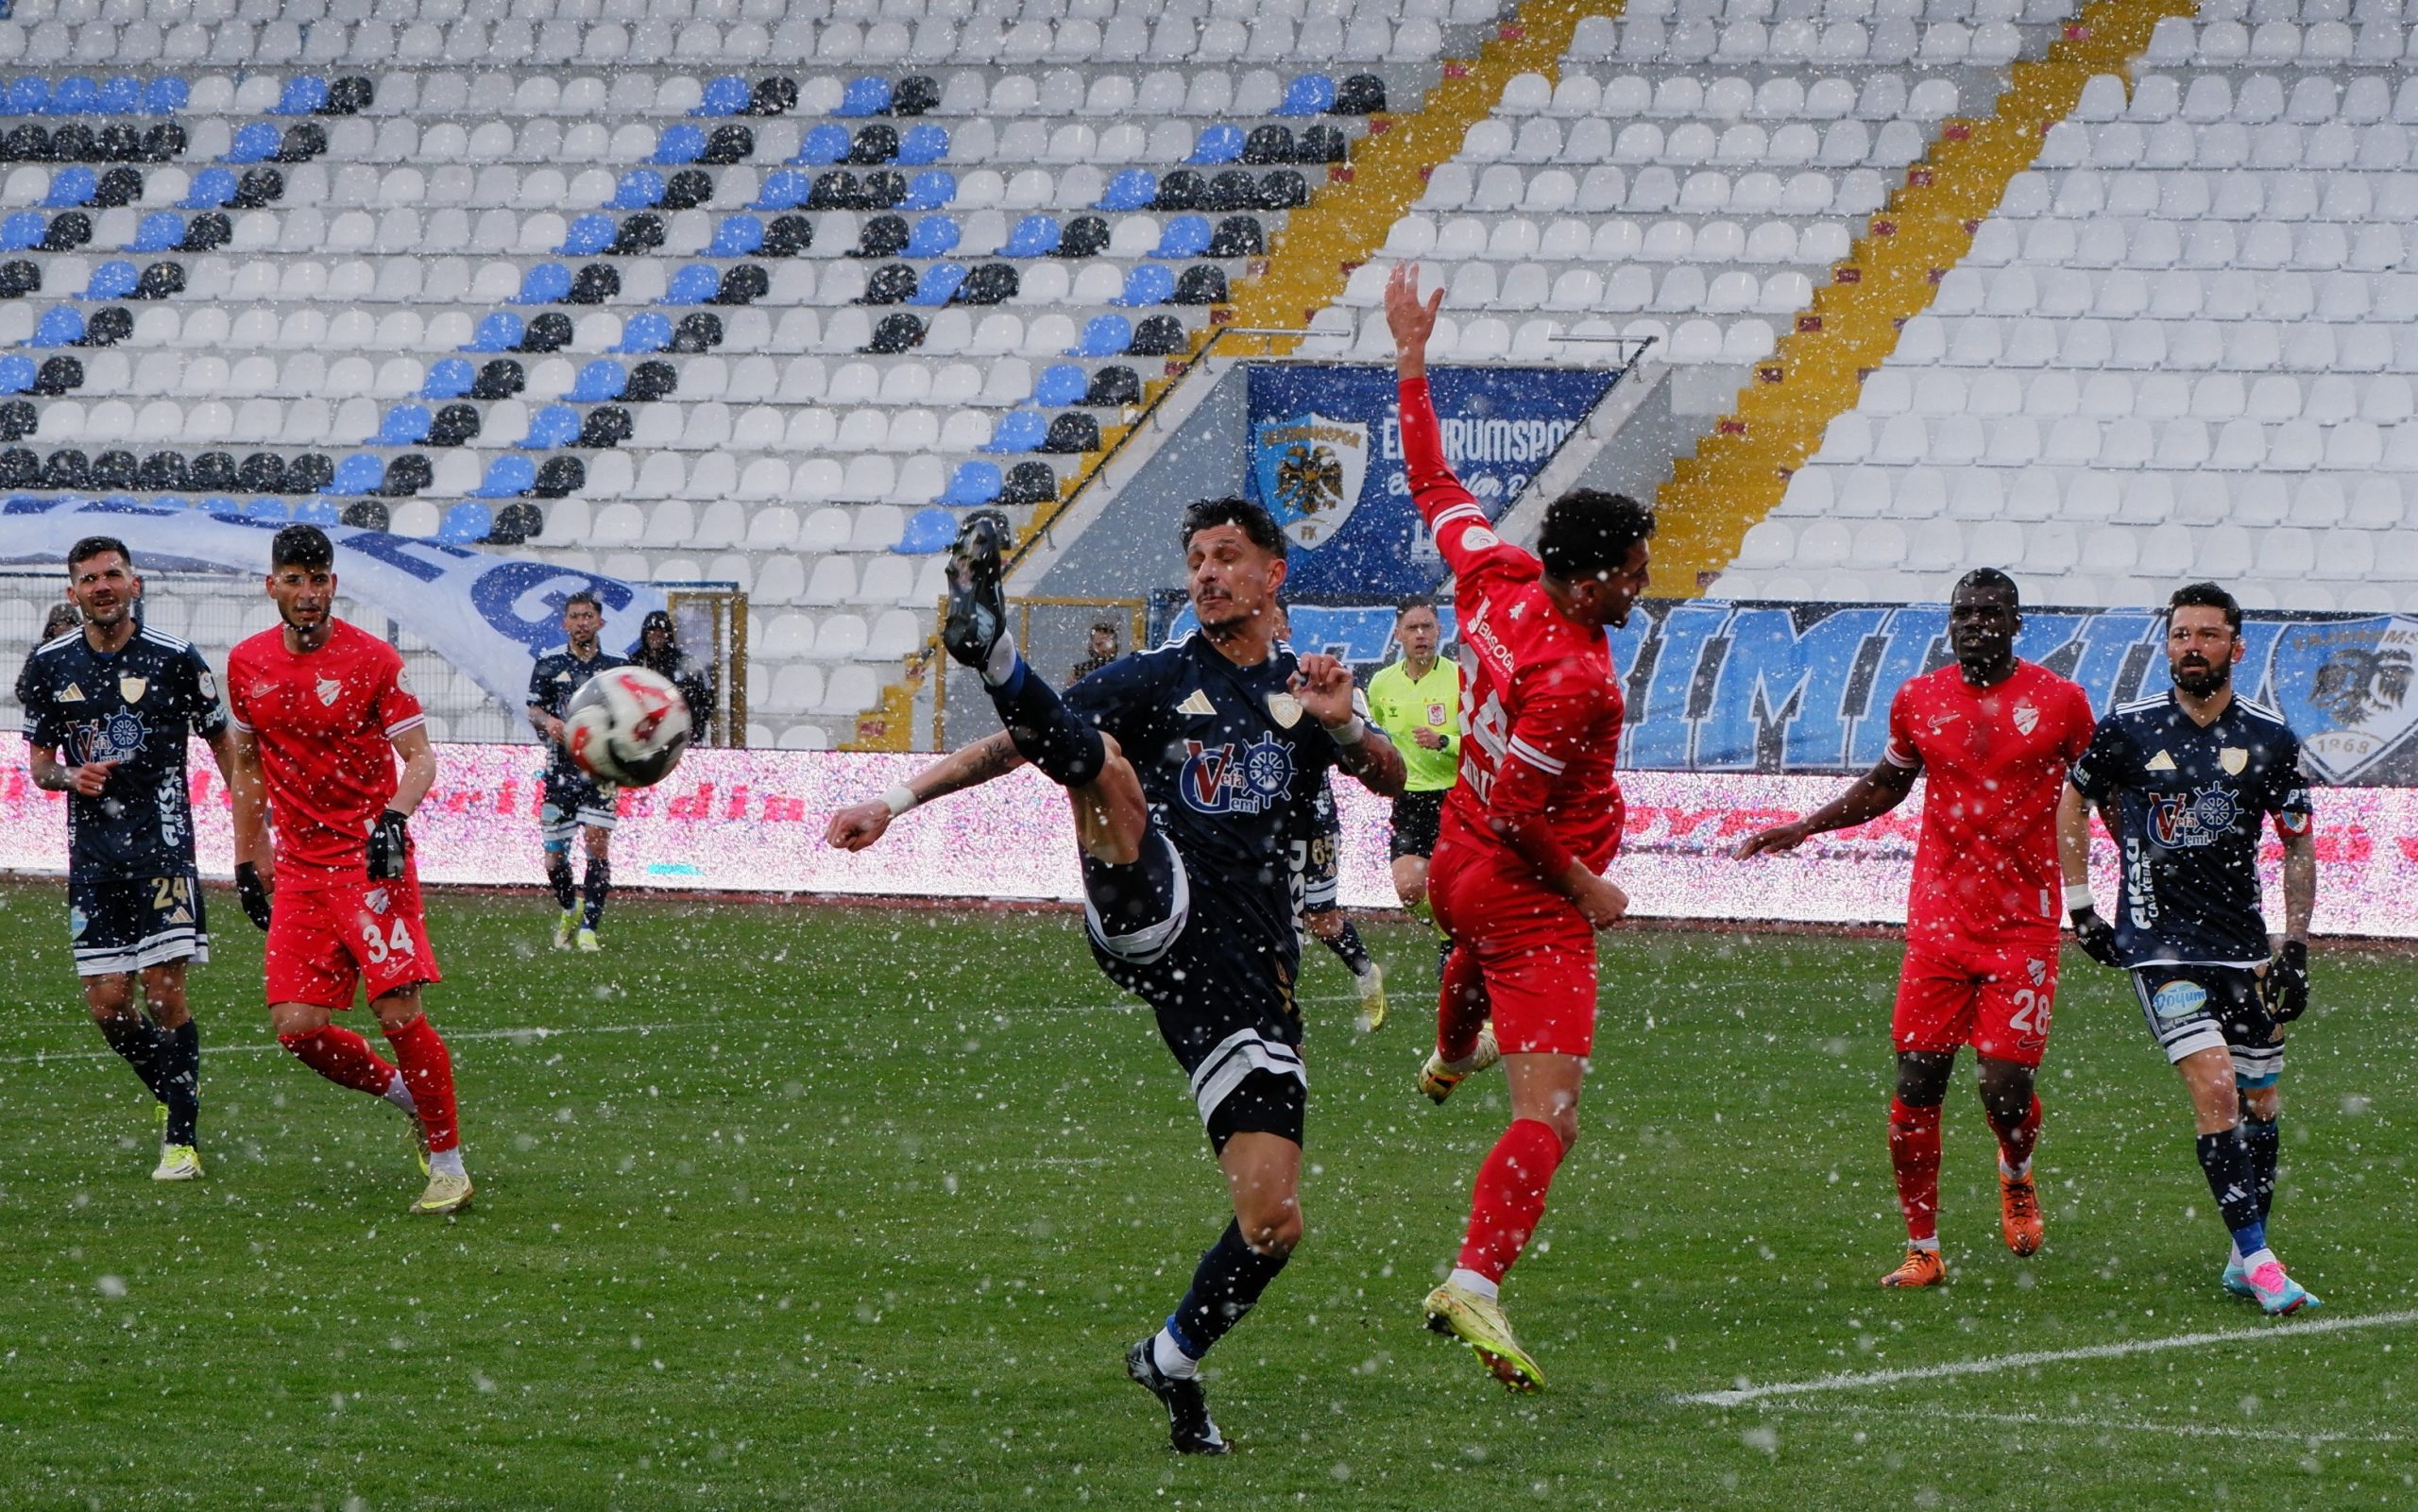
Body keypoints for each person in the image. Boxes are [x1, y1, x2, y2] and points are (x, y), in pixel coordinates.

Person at [826, 500, 1405, 1453]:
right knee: (1105, 770)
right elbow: (1020, 745)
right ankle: (994, 653)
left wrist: (1343, 728)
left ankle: (1170, 1360)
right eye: (1196, 557)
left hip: (1245, 984)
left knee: (1272, 1222)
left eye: (1227, 556)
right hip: (1153, 908)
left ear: (1273, 575)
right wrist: (895, 800)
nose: (1207, 571)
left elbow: (1388, 774)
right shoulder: (1158, 674)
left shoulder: (1306, 691)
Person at [1386, 264, 1654, 1392]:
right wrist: (1587, 888)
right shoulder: (1576, 678)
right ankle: (1473, 1281)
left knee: (1469, 950)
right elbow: (1518, 813)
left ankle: (1450, 1054)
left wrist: (1411, 360)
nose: (1642, 583)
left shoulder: (1495, 578)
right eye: (1631, 572)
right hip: (1525, 888)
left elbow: (1433, 478)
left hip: (1453, 860)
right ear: (1588, 583)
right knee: (1552, 1115)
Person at [1736, 569, 2095, 1288]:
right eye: (1963, 613)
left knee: (2004, 1088)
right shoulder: (1918, 698)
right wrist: (1807, 826)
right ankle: (1923, 1247)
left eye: (1990, 613)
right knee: (1917, 1080)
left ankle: (2016, 1169)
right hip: (1939, 921)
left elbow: (2097, 792)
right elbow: (1887, 783)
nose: (1975, 623)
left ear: (2017, 623)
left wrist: (2134, 878)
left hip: (2023, 924)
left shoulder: (2061, 702)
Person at [2058, 582, 2321, 1316]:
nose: (2192, 647)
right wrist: (2081, 906)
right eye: (2180, 635)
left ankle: (2242, 1254)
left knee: (2261, 1099)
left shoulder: (2270, 737)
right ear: (2167, 644)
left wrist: (2296, 945)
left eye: (2207, 635)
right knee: (2216, 1088)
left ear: (2236, 646)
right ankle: (2262, 1261)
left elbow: (2298, 841)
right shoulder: (2128, 729)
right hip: (2158, 944)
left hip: (2243, 946)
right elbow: (2073, 799)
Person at [224, 524, 472, 1215]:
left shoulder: (373, 659)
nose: (307, 592)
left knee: (398, 1013)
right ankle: (407, 1097)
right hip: (300, 872)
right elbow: (247, 766)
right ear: (271, 586)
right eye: (294, 580)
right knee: (297, 1027)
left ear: (334, 584)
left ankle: (449, 1166)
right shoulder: (246, 663)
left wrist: (394, 816)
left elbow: (420, 758)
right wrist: (247, 856)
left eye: (318, 579)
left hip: (369, 863)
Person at [18, 537, 241, 1181]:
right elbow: (40, 765)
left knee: (165, 995)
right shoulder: (50, 664)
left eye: (112, 574)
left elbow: (223, 741)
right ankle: (174, 1092)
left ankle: (181, 1141)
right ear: (73, 593)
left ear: (134, 583)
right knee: (108, 1006)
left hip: (163, 849)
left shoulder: (174, 657)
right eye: (89, 579)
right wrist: (70, 776)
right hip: (94, 860)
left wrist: (251, 827)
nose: (103, 586)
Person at [1270, 603, 1388, 1031]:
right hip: (1259, 825)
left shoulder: (1315, 684)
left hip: (1312, 820)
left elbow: (1367, 749)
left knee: (1322, 920)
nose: (1269, 630)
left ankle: (1366, 972)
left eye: (1275, 623)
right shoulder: (1236, 685)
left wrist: (1346, 728)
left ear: (1287, 629)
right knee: (1267, 920)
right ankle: (1273, 1012)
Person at [527, 592, 625, 952]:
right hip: (560, 771)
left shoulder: (617, 665)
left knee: (597, 845)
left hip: (601, 770)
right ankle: (571, 908)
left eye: (588, 616)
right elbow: (534, 710)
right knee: (554, 858)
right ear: (564, 623)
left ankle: (589, 930)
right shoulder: (549, 662)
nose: (581, 622)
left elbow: (630, 710)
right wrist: (549, 721)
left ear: (600, 622)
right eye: (575, 616)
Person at [1363, 597, 1460, 922]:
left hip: (1457, 797)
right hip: (1409, 799)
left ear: (1439, 631)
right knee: (1409, 889)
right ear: (1398, 635)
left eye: (1427, 627)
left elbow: (1482, 743)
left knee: (1461, 886)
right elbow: (1378, 734)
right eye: (1412, 627)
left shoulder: (1460, 678)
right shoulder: (1381, 683)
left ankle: (1459, 936)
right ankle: (1448, 933)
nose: (1420, 634)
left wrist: (1444, 742)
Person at [632, 608, 714, 739]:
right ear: (645, 633)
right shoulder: (633, 663)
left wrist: (694, 729)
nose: (657, 635)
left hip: (677, 734)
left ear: (668, 635)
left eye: (662, 631)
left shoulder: (684, 663)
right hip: (640, 734)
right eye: (652, 630)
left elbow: (706, 699)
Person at [1065, 620, 1121, 687]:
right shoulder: (1079, 671)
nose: (1103, 649)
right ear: (1091, 645)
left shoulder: (1121, 670)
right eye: (1099, 644)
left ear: (1115, 646)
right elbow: (1070, 690)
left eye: (1107, 645)